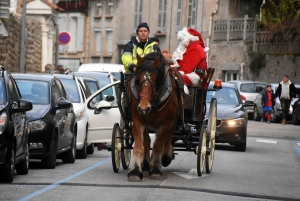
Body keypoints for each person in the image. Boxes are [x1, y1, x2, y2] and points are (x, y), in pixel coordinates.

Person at [170, 27, 209, 94]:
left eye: (182, 39)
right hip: (187, 73)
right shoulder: (189, 47)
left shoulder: (195, 48)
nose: (181, 41)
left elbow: (187, 68)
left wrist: (175, 72)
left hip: (194, 76)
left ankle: (182, 98)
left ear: (188, 38)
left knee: (173, 79)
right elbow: (182, 63)